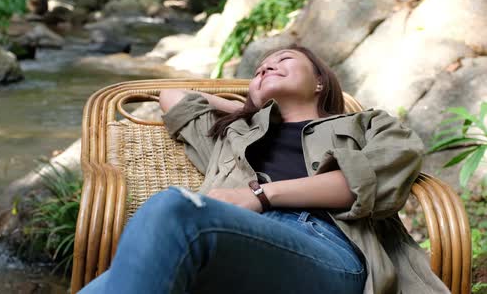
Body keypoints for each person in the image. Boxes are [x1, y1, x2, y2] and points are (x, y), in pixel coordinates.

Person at [78, 45, 449, 294]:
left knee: (173, 208)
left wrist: (260, 194)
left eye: (284, 60)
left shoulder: (367, 125)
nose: (268, 65)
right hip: (235, 241)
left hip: (329, 250)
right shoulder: (232, 136)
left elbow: (361, 184)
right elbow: (172, 98)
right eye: (260, 68)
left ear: (320, 80)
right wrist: (247, 106)